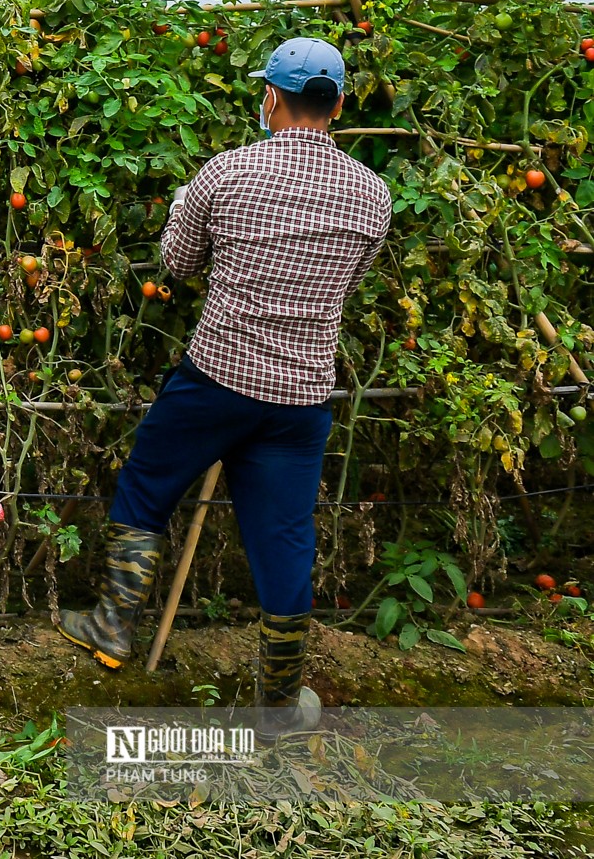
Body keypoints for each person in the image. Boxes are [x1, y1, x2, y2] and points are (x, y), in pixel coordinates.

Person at [56, 37, 391, 737]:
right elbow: (350, 285)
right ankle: (278, 705)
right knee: (285, 535)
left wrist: (184, 209)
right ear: (337, 105)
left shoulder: (227, 172)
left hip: (218, 378)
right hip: (301, 398)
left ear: (270, 97)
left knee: (148, 485)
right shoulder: (372, 193)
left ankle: (113, 625)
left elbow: (176, 264)